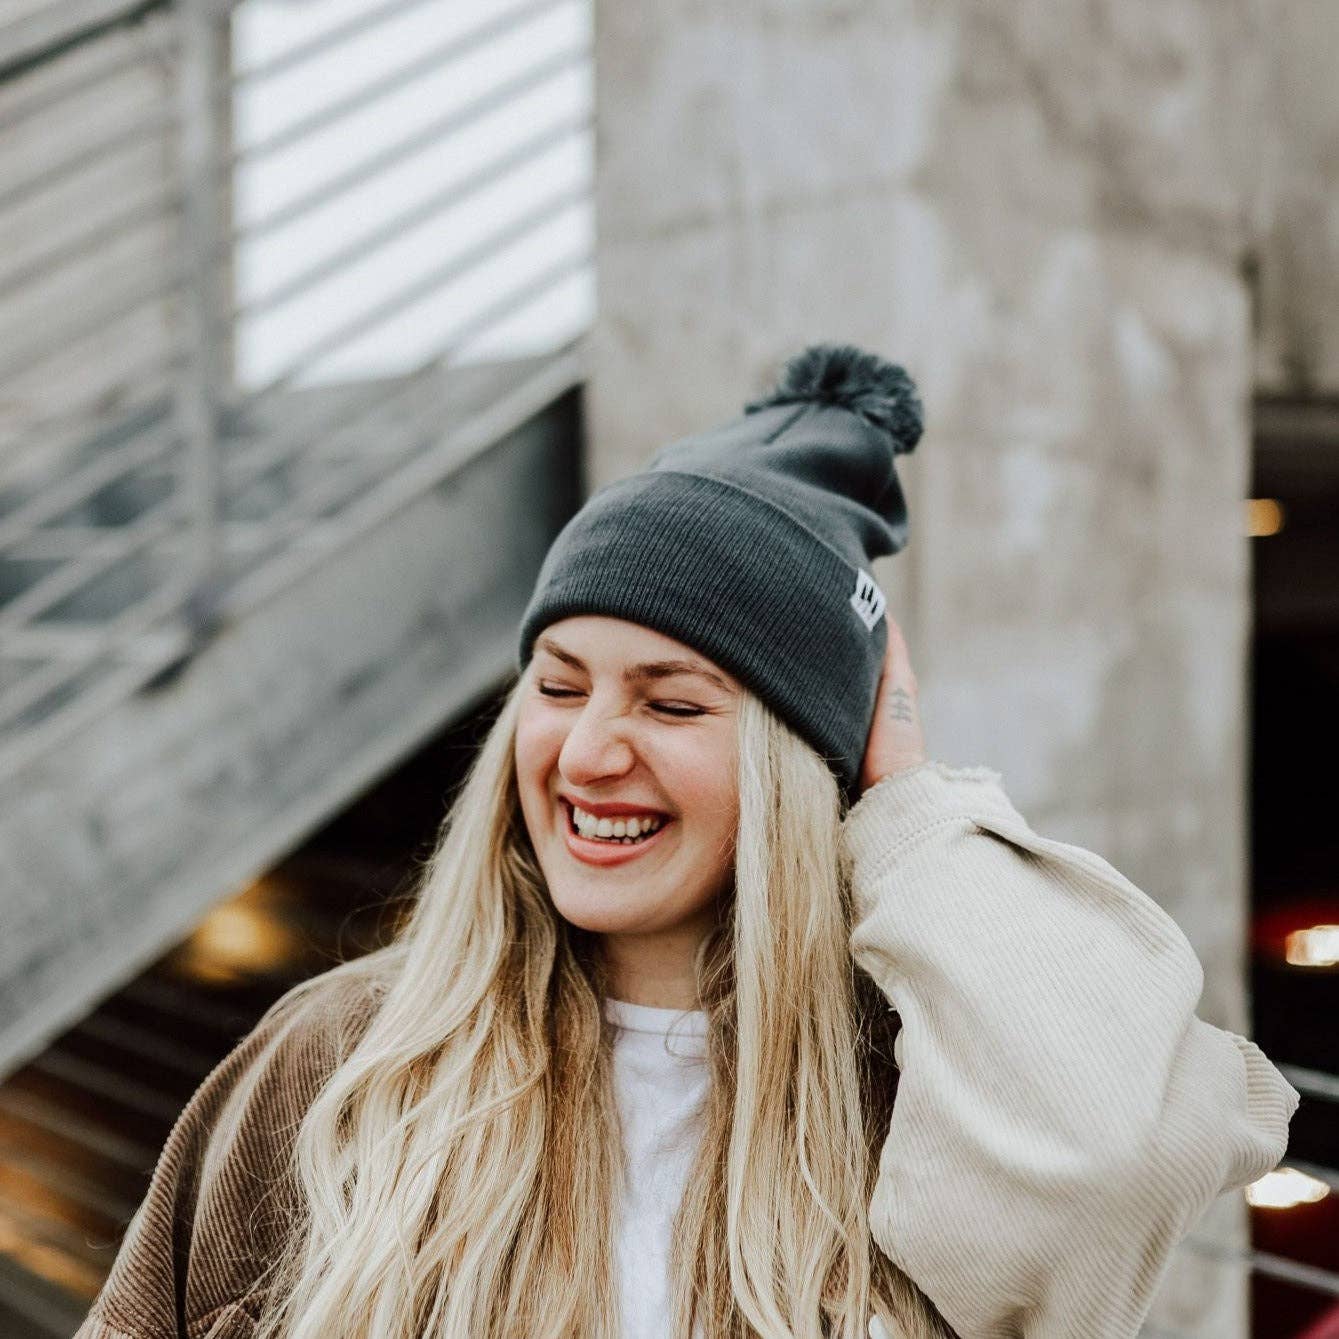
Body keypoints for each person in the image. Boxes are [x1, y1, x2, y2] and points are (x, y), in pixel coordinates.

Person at [75, 344, 1298, 1339]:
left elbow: (1115, 1146)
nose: (590, 749)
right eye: (558, 687)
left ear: (794, 771)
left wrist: (908, 806)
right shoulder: (339, 1064)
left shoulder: (912, 1097)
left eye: (670, 703)